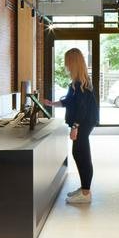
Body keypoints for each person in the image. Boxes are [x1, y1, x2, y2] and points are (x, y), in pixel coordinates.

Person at [43, 48, 99, 204]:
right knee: (78, 153)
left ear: (73, 62)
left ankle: (86, 193)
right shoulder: (76, 82)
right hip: (82, 122)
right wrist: (52, 103)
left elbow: (82, 108)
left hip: (84, 122)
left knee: (82, 155)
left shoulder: (82, 83)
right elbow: (69, 101)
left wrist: (75, 127)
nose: (65, 64)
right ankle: (84, 188)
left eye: (68, 61)